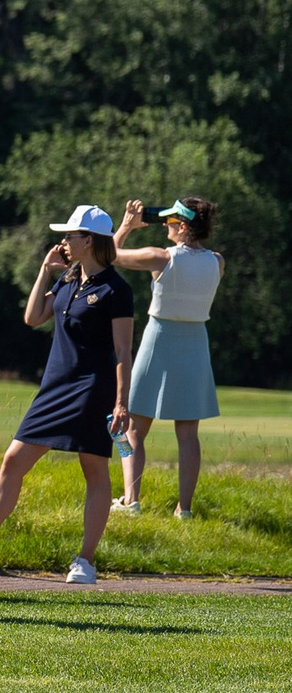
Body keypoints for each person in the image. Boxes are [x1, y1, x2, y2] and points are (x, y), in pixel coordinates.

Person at [0, 206, 132, 583]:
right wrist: (46, 269)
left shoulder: (115, 290)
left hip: (94, 387)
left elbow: (123, 352)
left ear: (88, 241)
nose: (64, 241)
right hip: (55, 386)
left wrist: (121, 402)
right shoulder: (70, 278)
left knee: (94, 468)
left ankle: (85, 562)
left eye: (71, 236)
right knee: (13, 460)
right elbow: (33, 317)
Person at [114, 197, 225, 519]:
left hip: (159, 338)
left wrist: (126, 226)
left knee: (130, 428)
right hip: (196, 342)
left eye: (172, 222)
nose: (166, 226)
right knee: (188, 434)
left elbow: (110, 255)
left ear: (185, 226)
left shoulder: (160, 257)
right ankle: (184, 509)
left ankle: (130, 499)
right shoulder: (217, 261)